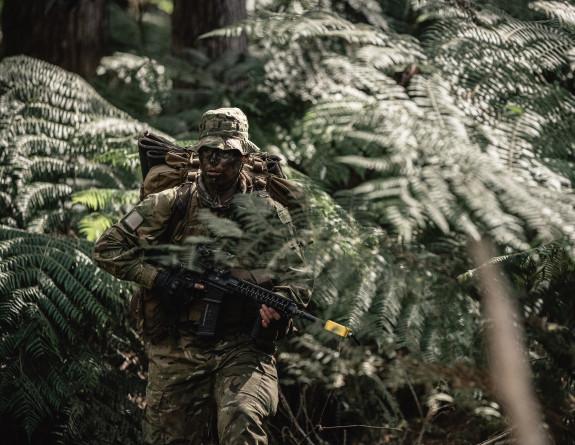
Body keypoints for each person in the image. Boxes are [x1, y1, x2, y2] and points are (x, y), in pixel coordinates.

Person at [93, 107, 312, 445]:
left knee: (242, 422)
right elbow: (107, 248)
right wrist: (159, 279)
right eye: (209, 152)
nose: (215, 162)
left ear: (242, 157)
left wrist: (281, 302)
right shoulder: (169, 202)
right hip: (176, 345)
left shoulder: (267, 212)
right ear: (200, 153)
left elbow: (297, 274)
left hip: (243, 345)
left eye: (226, 154)